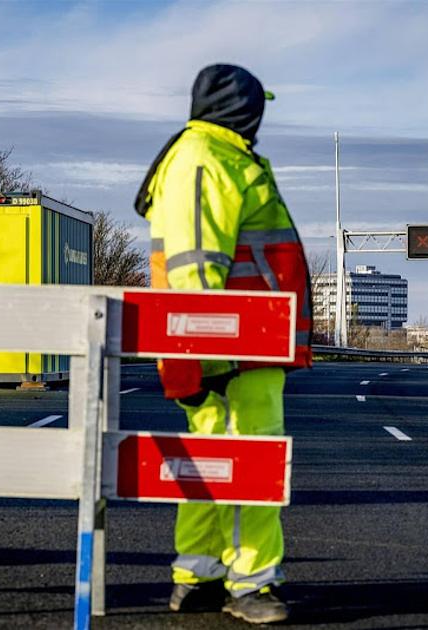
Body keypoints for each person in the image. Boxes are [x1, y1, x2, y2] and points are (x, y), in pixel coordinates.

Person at [134, 63, 312, 625]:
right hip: (233, 351)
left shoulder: (217, 155)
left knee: (212, 464)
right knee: (248, 463)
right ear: (242, 108)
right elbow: (193, 268)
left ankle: (200, 576)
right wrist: (203, 355)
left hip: (240, 346)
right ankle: (251, 584)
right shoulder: (203, 159)